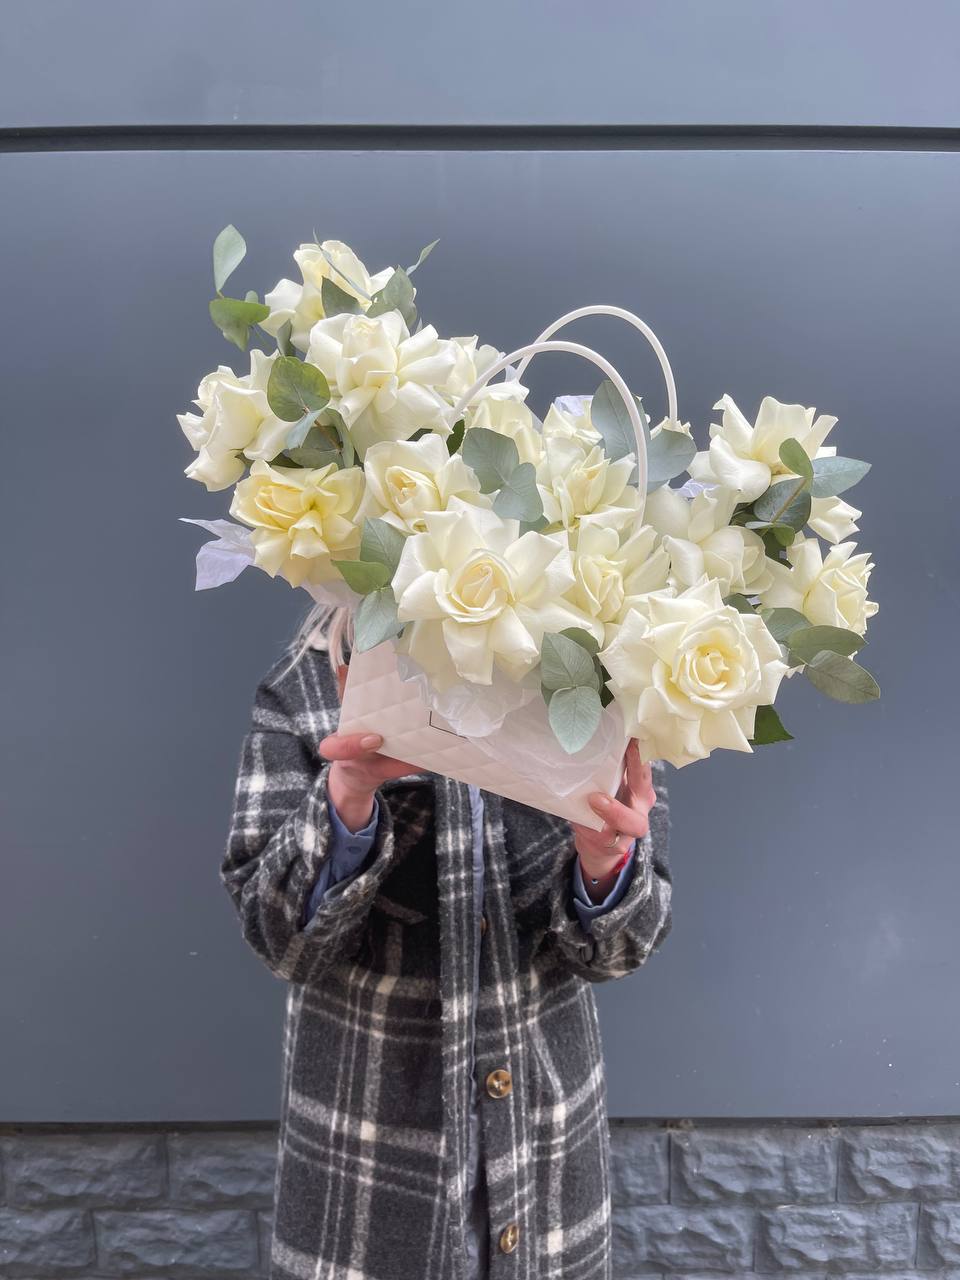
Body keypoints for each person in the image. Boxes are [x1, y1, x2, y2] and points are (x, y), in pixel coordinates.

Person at [220, 603, 674, 1280]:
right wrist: (347, 795)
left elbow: (620, 951)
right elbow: (280, 941)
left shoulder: (582, 676)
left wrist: (605, 864)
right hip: (365, 1152)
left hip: (544, 1145)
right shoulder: (312, 683)